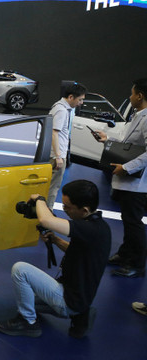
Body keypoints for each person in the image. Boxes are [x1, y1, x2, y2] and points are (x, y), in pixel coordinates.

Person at [0, 180, 111, 338]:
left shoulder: (89, 229)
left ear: (84, 210)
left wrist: (40, 200)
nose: (65, 211)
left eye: (67, 207)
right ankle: (80, 314)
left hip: (69, 300)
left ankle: (28, 322)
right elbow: (78, 250)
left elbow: (46, 220)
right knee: (29, 300)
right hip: (78, 298)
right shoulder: (98, 226)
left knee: (20, 270)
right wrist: (56, 240)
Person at [94, 78, 147, 278]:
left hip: (137, 183)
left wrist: (126, 167)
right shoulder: (137, 116)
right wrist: (108, 140)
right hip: (128, 182)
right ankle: (125, 254)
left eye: (132, 93)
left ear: (140, 95)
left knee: (134, 224)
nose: (130, 96)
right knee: (129, 221)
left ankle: (137, 265)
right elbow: (128, 145)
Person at [46, 83, 88, 210]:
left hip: (57, 153)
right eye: (80, 99)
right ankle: (46, 214)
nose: (81, 103)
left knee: (51, 186)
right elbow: (54, 133)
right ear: (71, 97)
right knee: (53, 187)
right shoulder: (61, 110)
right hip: (56, 155)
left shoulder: (62, 108)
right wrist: (58, 156)